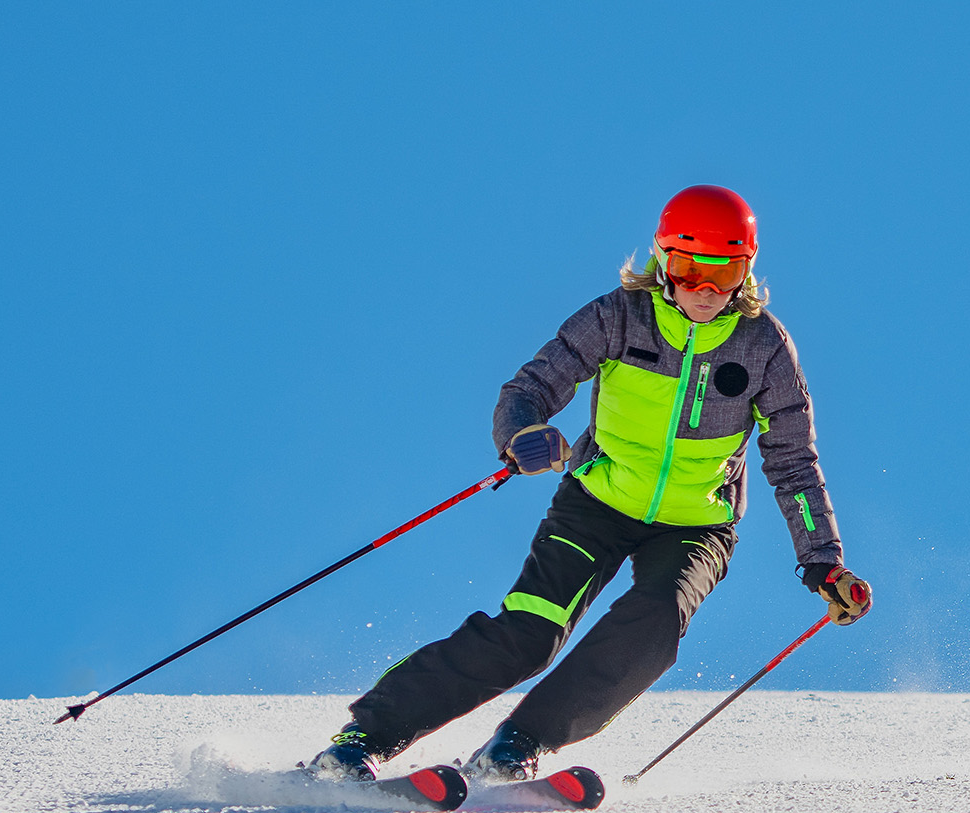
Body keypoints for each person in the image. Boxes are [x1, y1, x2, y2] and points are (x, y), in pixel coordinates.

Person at [306, 184, 872, 782]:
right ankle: (363, 738)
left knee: (656, 624)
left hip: (697, 524)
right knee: (530, 632)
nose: (704, 290)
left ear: (745, 273)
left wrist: (825, 562)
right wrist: (523, 434)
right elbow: (528, 390)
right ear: (662, 263)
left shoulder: (764, 348)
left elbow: (792, 462)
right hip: (596, 503)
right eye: (688, 268)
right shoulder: (617, 318)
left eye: (723, 272)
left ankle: (519, 744)